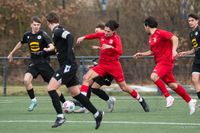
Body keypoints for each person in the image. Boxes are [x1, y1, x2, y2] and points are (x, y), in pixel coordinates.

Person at [76, 20, 150, 113]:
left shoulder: (116, 39)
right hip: (102, 65)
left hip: (114, 67)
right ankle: (84, 102)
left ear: (113, 31)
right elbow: (93, 36)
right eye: (105, 30)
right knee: (86, 78)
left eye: (108, 31)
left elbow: (120, 51)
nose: (106, 33)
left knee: (124, 88)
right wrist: (84, 37)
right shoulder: (102, 34)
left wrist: (110, 47)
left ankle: (141, 100)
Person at [45, 12, 103, 129]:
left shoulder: (57, 30)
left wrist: (70, 52)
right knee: (75, 93)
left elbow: (70, 36)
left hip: (68, 65)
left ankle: (60, 116)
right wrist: (46, 52)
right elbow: (60, 49)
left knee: (51, 88)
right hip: (68, 65)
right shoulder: (57, 32)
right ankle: (97, 114)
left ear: (48, 23)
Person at [133, 16, 197, 115]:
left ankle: (168, 96)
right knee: (172, 85)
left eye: (144, 26)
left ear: (147, 26)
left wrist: (173, 50)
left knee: (153, 76)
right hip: (160, 62)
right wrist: (142, 54)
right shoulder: (151, 37)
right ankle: (190, 101)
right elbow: (152, 51)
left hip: (166, 61)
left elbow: (174, 38)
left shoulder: (160, 33)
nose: (144, 28)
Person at [7, 16, 66, 112]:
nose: (36, 26)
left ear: (40, 25)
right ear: (31, 25)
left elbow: (51, 45)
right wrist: (11, 53)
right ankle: (33, 100)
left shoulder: (43, 34)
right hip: (34, 64)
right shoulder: (27, 35)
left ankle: (65, 103)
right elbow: (21, 43)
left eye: (38, 25)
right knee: (26, 80)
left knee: (53, 87)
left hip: (44, 64)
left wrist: (49, 48)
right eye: (34, 25)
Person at [75, 24, 116, 113]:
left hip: (108, 72)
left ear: (104, 30)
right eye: (95, 31)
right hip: (101, 69)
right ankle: (84, 105)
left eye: (97, 31)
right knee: (87, 82)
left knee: (94, 87)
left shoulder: (112, 40)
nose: (96, 33)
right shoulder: (102, 40)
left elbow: (113, 57)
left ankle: (109, 100)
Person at [178, 13, 200, 104]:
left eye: (192, 20)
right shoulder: (191, 34)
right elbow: (194, 49)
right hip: (198, 59)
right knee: (195, 79)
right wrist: (185, 52)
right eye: (189, 21)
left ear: (197, 21)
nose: (190, 22)